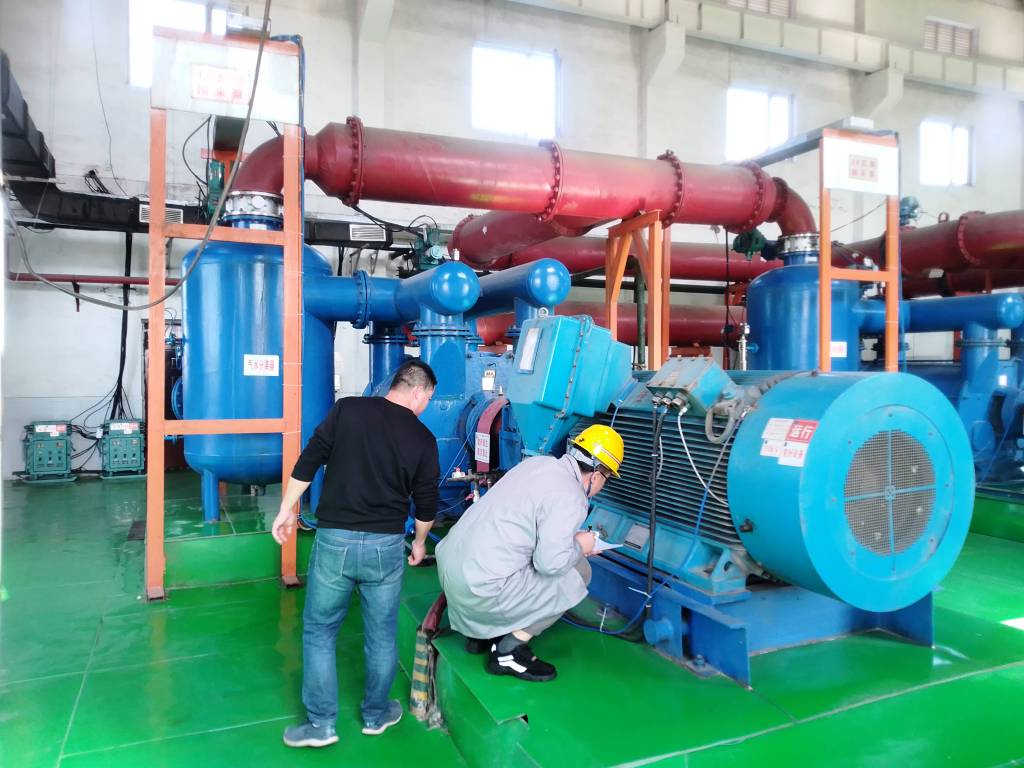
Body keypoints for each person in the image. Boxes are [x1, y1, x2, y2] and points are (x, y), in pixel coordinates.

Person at [272, 359, 440, 748]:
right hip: (385, 547)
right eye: (428, 398)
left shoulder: (347, 410)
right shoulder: (423, 439)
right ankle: (376, 715)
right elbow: (427, 506)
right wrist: (419, 543)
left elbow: (309, 460)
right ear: (417, 391)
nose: (426, 406)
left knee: (319, 630)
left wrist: (286, 509)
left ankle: (321, 725)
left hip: (335, 541)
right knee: (381, 634)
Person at [436, 424, 624, 682]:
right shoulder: (572, 496)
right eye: (607, 478)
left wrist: (571, 542)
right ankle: (507, 652)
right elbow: (550, 564)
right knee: (579, 571)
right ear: (597, 474)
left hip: (452, 573)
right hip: (480, 590)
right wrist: (581, 546)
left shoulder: (538, 464)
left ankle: (481, 635)